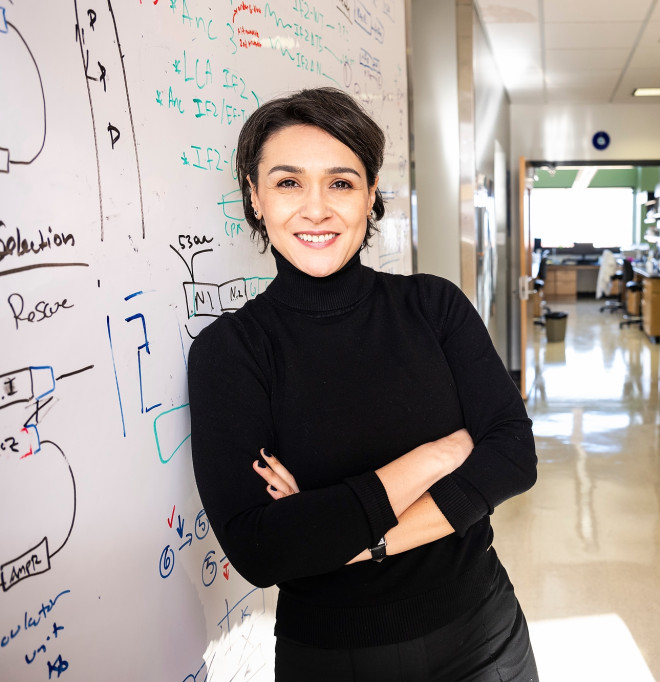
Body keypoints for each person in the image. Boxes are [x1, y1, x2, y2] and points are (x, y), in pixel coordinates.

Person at [187, 87, 539, 681]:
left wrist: (350, 536)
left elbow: (513, 456)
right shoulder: (232, 352)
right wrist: (440, 454)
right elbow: (260, 548)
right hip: (332, 659)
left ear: (371, 195)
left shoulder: (433, 307)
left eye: (342, 183)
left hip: (485, 635)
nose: (317, 209)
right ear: (255, 196)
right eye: (288, 182)